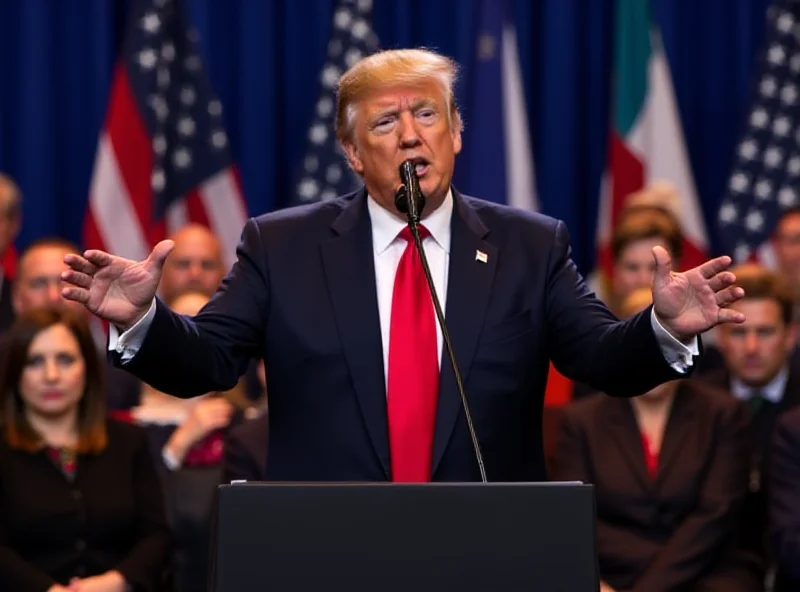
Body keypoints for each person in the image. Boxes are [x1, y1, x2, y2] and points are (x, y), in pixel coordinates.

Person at [61, 48, 745, 483]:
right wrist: (144, 322)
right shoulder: (283, 245)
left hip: (486, 545)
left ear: (456, 133)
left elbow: (600, 358)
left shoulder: (530, 246)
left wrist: (662, 327)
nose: (411, 135)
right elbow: (209, 361)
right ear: (354, 155)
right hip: (330, 546)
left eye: (426, 114)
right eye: (385, 124)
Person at [551, 288, 761, 592]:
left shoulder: (723, 413)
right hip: (610, 575)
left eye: (664, 339)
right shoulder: (581, 421)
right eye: (643, 341)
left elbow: (716, 516)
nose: (652, 355)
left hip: (708, 572)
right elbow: (576, 520)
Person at [0, 308, 171, 591]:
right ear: (16, 373)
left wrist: (114, 582)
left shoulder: (129, 442)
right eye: (35, 361)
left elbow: (156, 538)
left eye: (65, 360)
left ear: (88, 368)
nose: (51, 375)